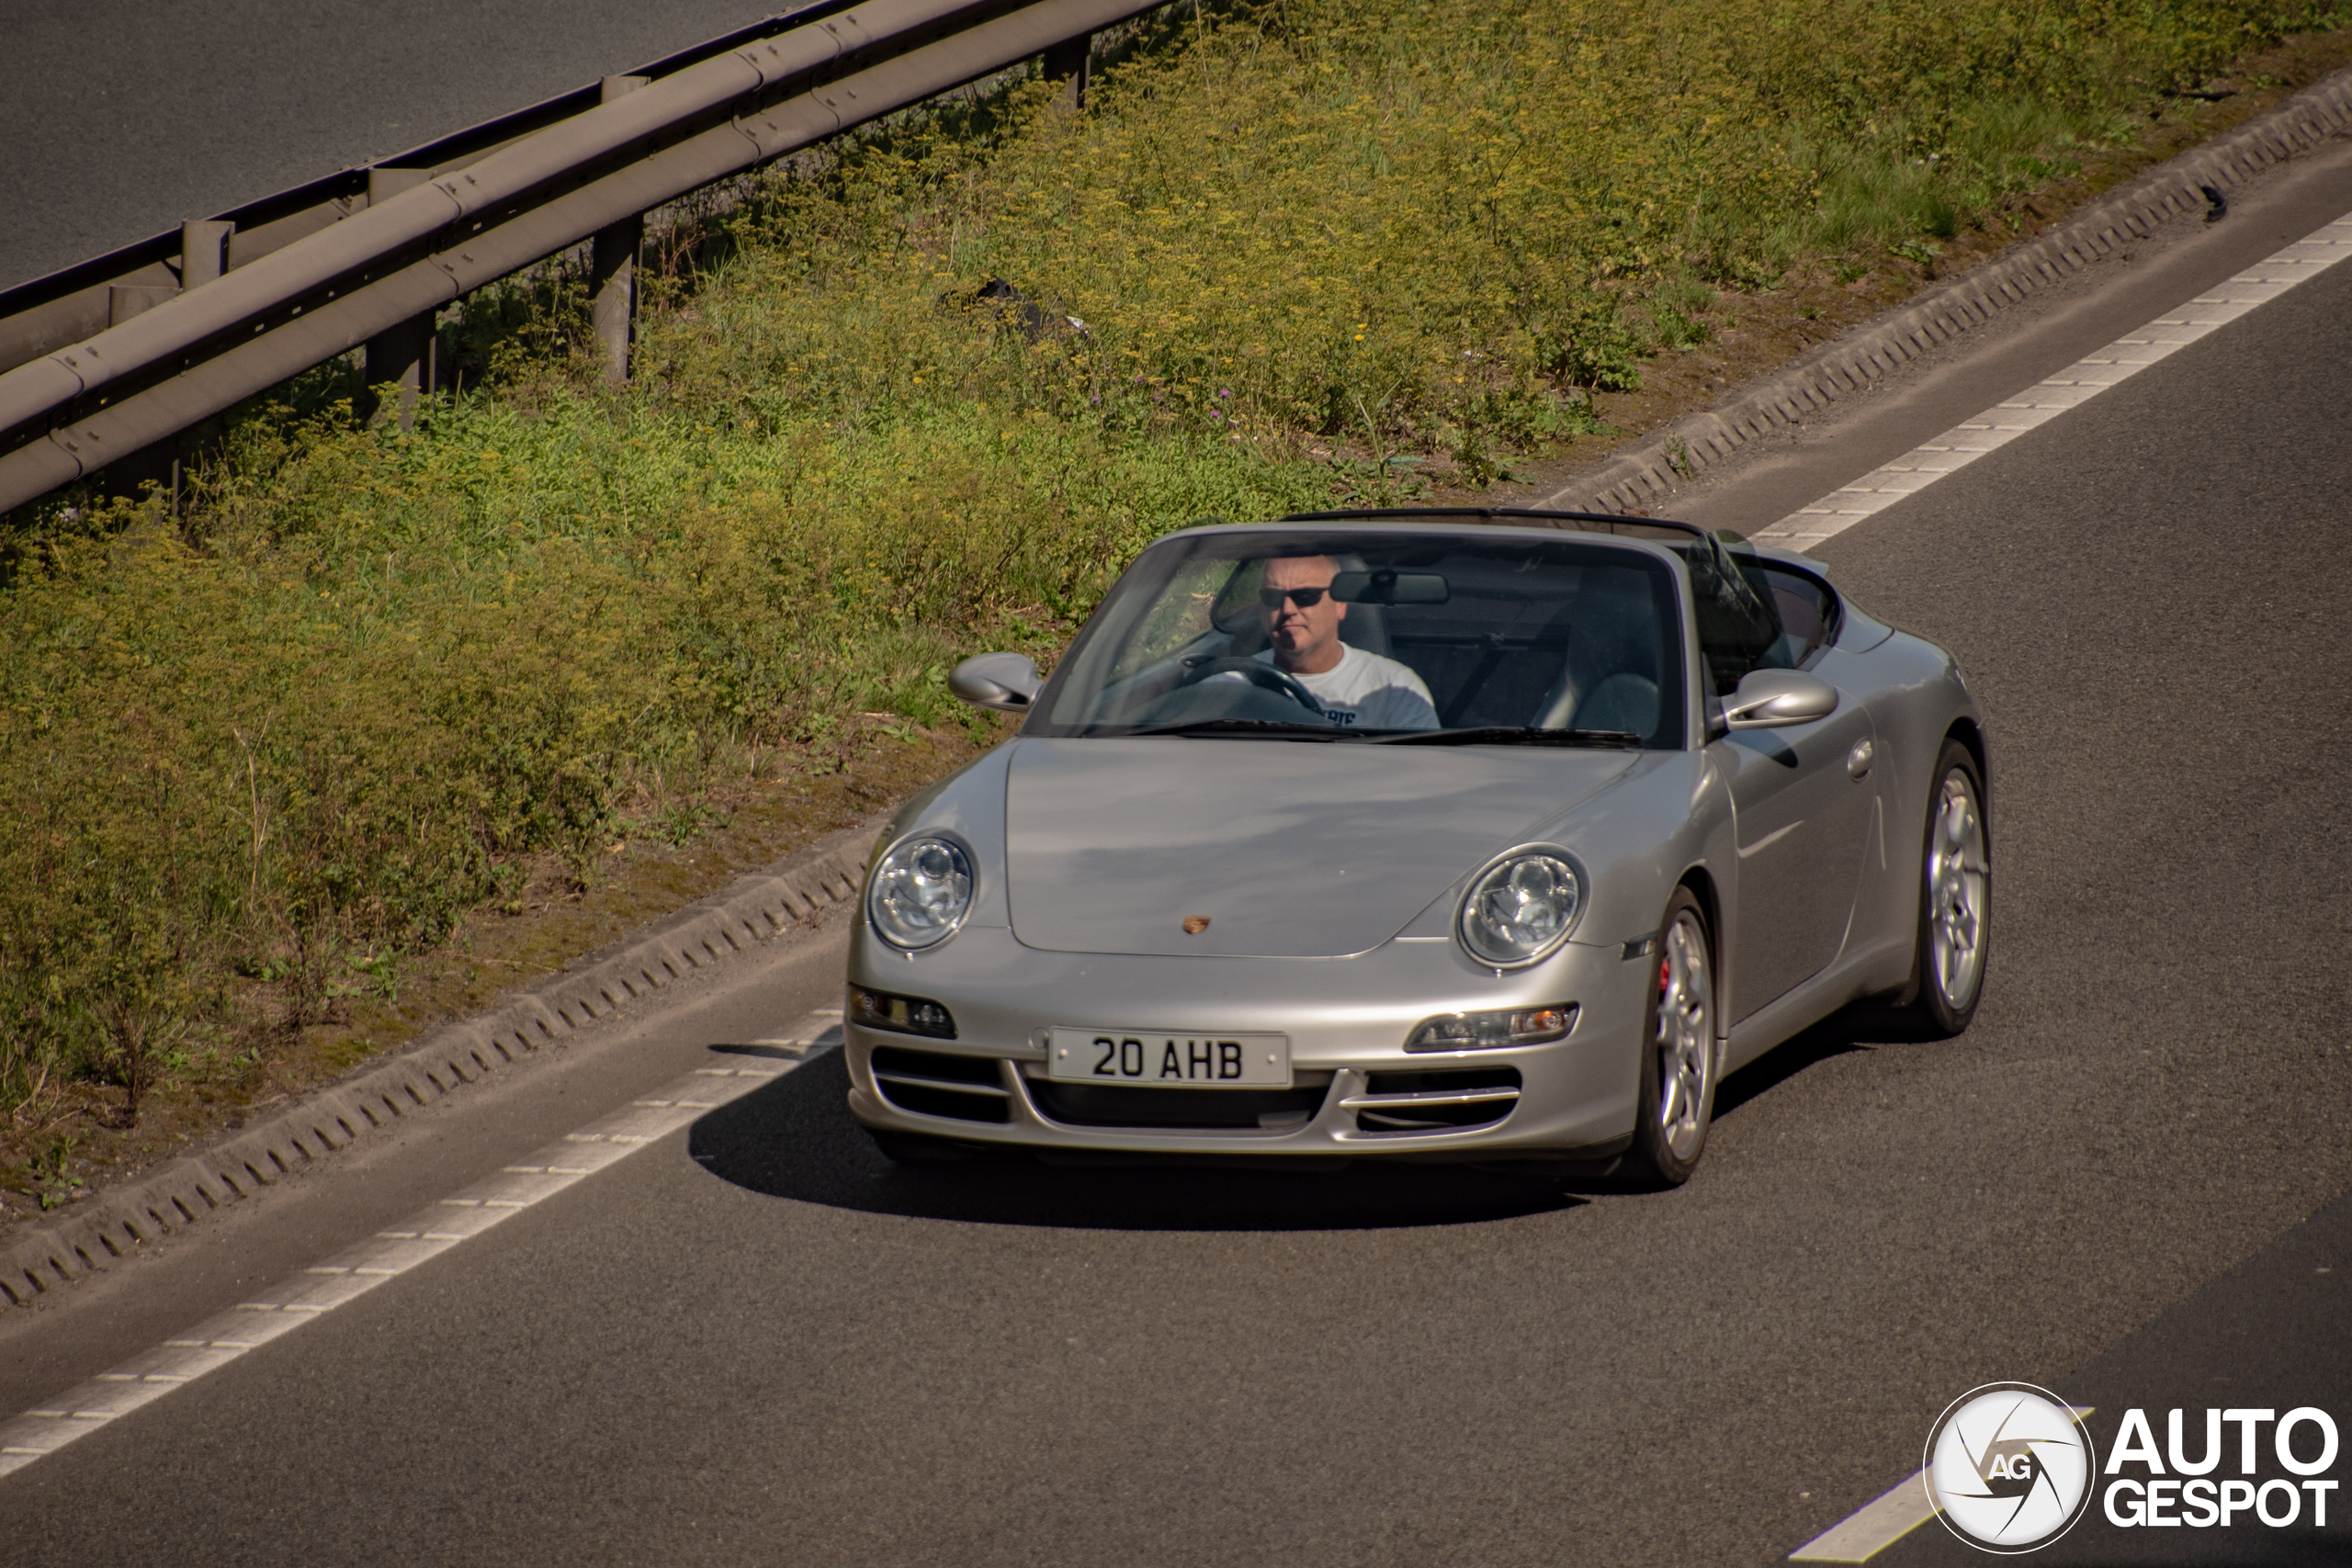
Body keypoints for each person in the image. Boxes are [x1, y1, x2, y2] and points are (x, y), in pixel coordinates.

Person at [1248, 555, 1438, 728]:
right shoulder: (1233, 682)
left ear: (1340, 605)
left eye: (1305, 596)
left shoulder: (1393, 690)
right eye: (1273, 597)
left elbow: (1422, 762)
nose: (1288, 609)